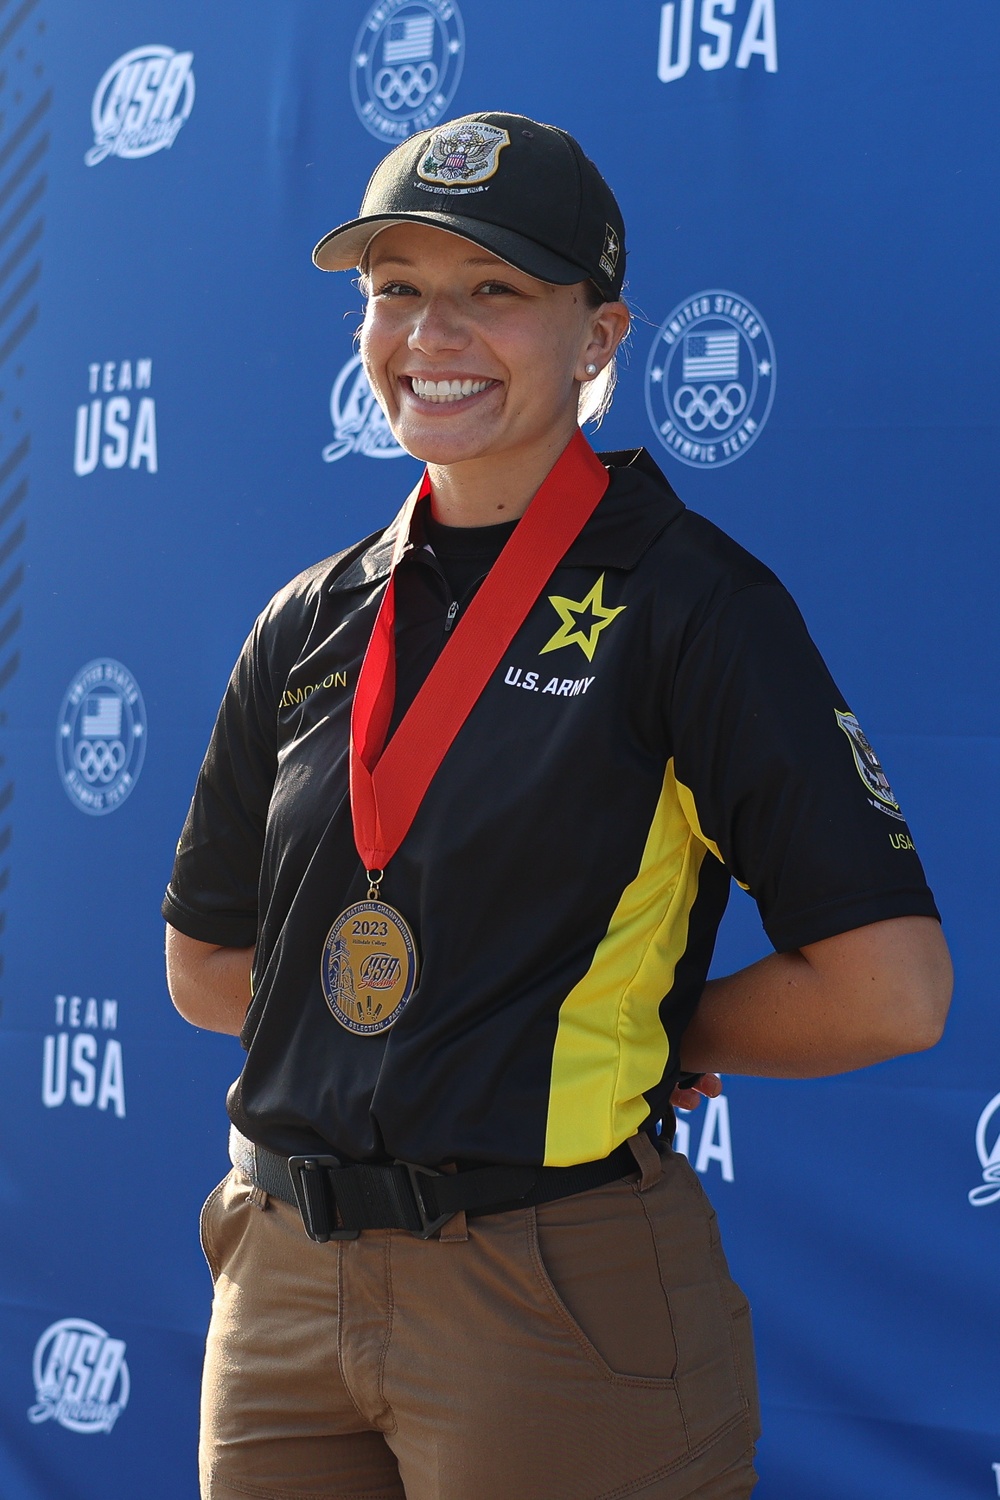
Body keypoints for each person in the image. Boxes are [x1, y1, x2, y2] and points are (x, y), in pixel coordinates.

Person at [163, 112, 952, 1500]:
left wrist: (619, 1029)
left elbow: (893, 991)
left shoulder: (694, 606)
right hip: (283, 1285)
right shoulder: (309, 619)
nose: (432, 330)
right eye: (396, 288)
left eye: (495, 291)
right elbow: (205, 967)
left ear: (598, 336)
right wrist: (479, 1021)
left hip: (546, 1291)